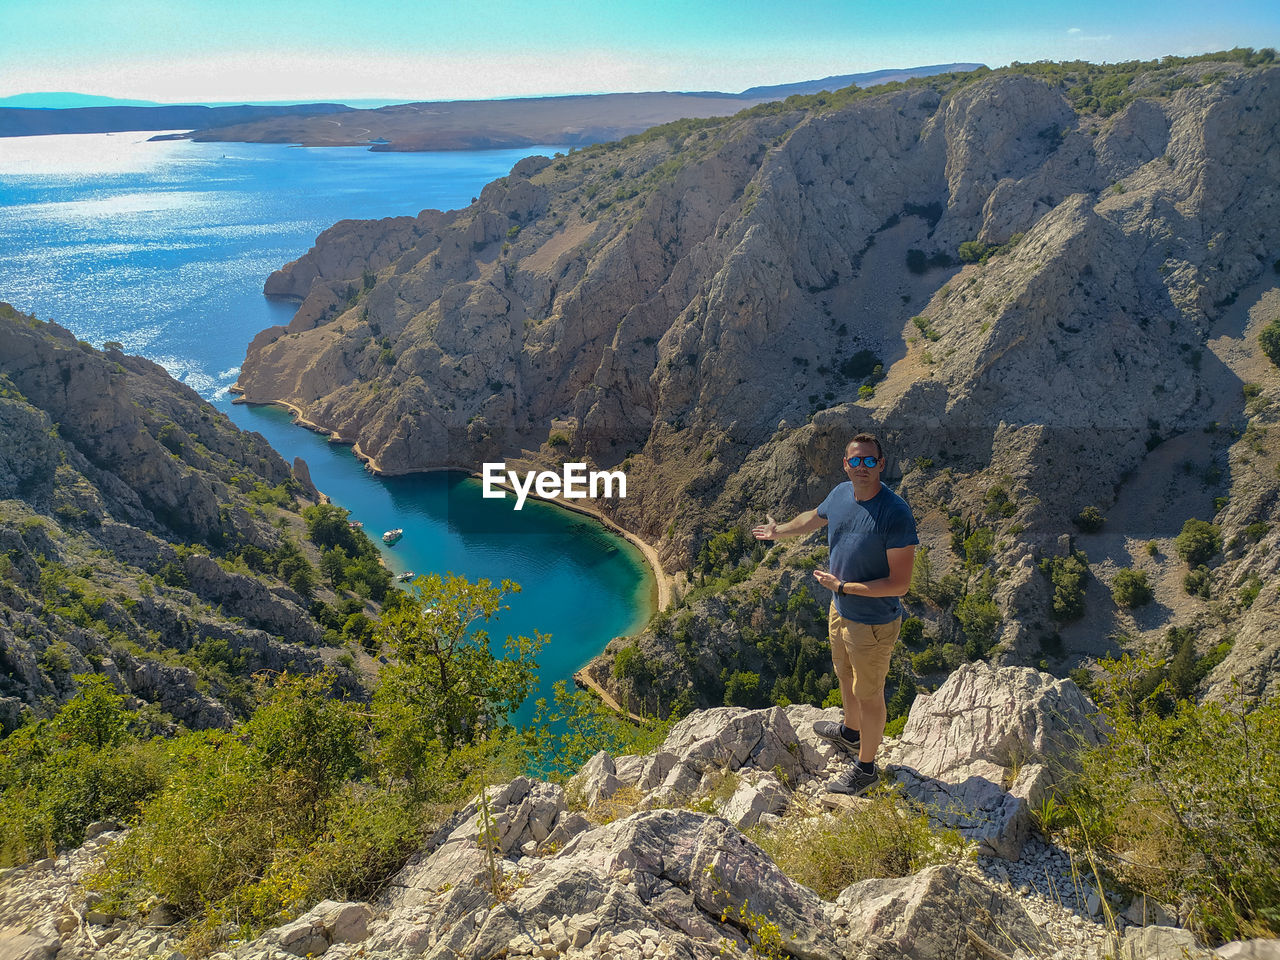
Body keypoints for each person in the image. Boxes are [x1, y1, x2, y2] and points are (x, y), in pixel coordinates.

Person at [751, 433, 917, 795]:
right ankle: (850, 733)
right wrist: (780, 532)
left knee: (869, 692)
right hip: (840, 610)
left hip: (872, 620)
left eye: (869, 461)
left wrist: (843, 587)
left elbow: (899, 584)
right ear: (845, 464)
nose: (862, 467)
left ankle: (867, 768)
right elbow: (814, 517)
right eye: (855, 461)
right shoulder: (842, 493)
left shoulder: (895, 513)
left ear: (881, 464)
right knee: (844, 675)